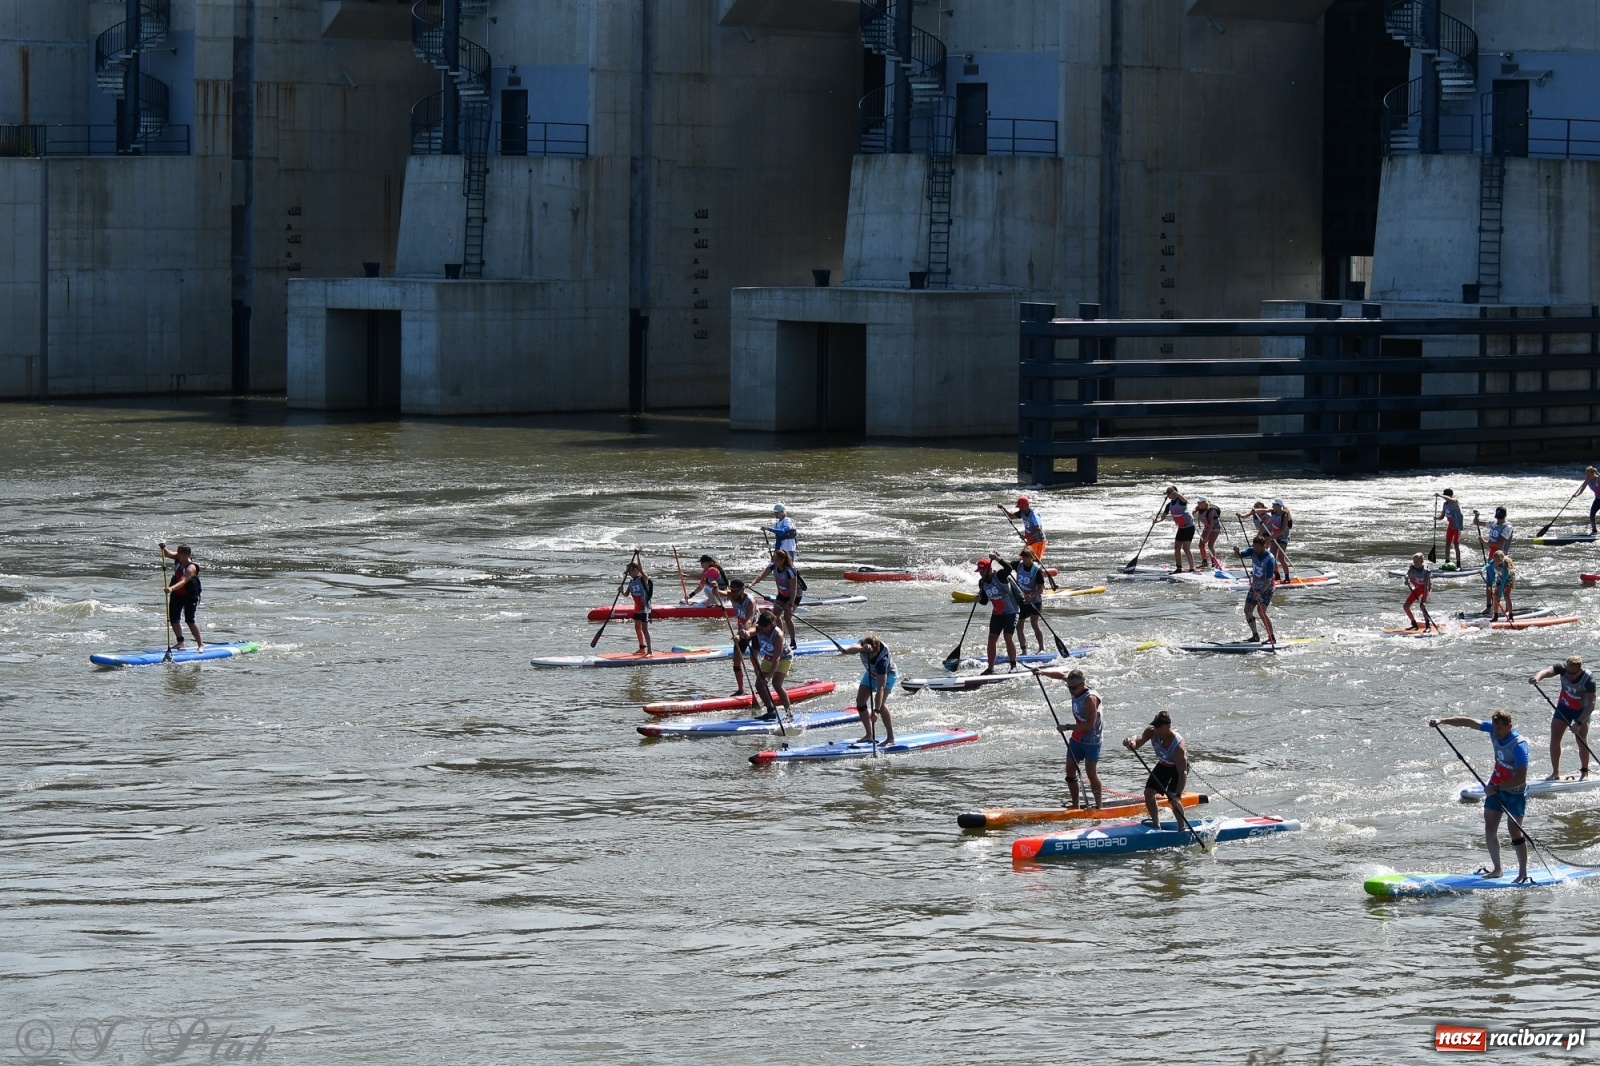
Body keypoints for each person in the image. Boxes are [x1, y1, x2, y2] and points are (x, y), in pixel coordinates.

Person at [1430, 711, 1531, 882]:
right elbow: (1468, 721)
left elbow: (1521, 778)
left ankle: (1522, 873)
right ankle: (1497, 869)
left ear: (1509, 726)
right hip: (1495, 787)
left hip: (1515, 792)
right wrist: (1442, 721)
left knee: (1515, 832)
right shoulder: (1492, 729)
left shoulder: (1519, 746)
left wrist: (1497, 788)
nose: (1496, 732)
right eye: (1494, 728)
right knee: (1490, 828)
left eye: (1500, 728)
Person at [1036, 666, 1102, 809]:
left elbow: (1090, 725)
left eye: (1073, 688)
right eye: (1069, 688)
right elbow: (1061, 675)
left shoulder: (1090, 699)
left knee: (1091, 774)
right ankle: (1076, 805)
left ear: (1082, 684)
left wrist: (1066, 727)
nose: (1071, 691)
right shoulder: (1073, 684)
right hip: (1077, 737)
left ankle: (1099, 806)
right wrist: (1041, 672)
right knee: (1070, 771)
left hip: (1092, 739)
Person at [1530, 656, 1595, 780]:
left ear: (1580, 669)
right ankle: (1555, 773)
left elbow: (1591, 705)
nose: (1570, 676)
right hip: (1564, 707)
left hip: (1581, 711)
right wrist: (1537, 678)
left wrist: (1579, 722)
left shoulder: (1588, 680)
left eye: (1573, 673)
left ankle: (1585, 772)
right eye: (1568, 672)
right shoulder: (1562, 669)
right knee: (1555, 738)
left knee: (1581, 739)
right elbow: (1546, 671)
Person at [1124, 711, 1188, 829]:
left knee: (1172, 797)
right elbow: (1136, 744)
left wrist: (1178, 796)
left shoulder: (1178, 747)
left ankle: (1182, 827)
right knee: (1148, 794)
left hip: (1177, 769)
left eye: (1159, 727)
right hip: (1163, 765)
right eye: (1155, 725)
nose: (1156, 729)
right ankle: (1156, 825)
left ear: (1168, 727)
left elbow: (1183, 773)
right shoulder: (1151, 732)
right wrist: (1130, 743)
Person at [975, 556, 1020, 674]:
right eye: (980, 572)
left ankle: (1013, 666)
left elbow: (1009, 568)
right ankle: (990, 668)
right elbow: (984, 601)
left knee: (1007, 637)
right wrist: (978, 599)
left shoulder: (1000, 575)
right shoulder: (982, 583)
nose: (981, 574)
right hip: (997, 614)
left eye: (983, 571)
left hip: (1012, 611)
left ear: (990, 569)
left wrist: (997, 559)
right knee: (991, 639)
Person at [719, 578, 760, 696]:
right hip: (741, 631)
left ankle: (761, 687)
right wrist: (715, 588)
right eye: (732, 590)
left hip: (755, 630)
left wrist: (739, 634)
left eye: (736, 591)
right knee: (736, 660)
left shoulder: (750, 601)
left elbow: (749, 620)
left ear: (743, 589)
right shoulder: (732, 595)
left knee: (754, 659)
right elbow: (717, 593)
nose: (734, 593)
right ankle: (741, 690)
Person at [752, 549, 801, 646]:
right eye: (774, 559)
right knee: (775, 616)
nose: (774, 561)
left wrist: (790, 604)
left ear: (783, 560)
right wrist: (752, 583)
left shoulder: (790, 570)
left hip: (794, 595)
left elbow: (794, 589)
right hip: (782, 594)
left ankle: (793, 641)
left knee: (787, 617)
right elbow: (762, 575)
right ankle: (781, 639)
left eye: (777, 560)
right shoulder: (773, 565)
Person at [750, 610, 793, 721]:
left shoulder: (778, 635)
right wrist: (742, 634)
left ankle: (789, 714)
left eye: (765, 627)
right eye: (761, 626)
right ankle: (771, 711)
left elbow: (777, 658)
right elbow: (750, 631)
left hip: (783, 658)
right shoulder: (759, 627)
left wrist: (769, 676)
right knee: (759, 685)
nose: (762, 629)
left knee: (776, 684)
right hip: (768, 657)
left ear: (771, 624)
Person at [160, 542, 204, 651]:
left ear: (187, 555)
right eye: (178, 553)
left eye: (180, 554)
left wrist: (171, 589)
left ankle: (200, 645)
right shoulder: (178, 558)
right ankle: (181, 643)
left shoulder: (191, 568)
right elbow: (167, 554)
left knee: (190, 620)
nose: (178, 556)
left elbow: (183, 581)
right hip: (177, 595)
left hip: (189, 595)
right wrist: (163, 547)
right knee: (174, 619)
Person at [853, 635, 896, 745]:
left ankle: (891, 738)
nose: (869, 655)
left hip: (888, 674)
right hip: (871, 673)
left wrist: (875, 711)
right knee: (860, 701)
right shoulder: (862, 644)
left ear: (877, 650)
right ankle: (869, 735)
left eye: (872, 653)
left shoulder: (882, 660)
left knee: (880, 705)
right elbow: (849, 650)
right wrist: (862, 649)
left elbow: (880, 688)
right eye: (868, 653)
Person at [1240, 534, 1278, 644]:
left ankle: (1271, 637)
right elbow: (1240, 555)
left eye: (1257, 548)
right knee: (1247, 611)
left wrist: (1260, 593)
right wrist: (1236, 550)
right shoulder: (1253, 551)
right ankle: (1255, 635)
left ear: (1263, 546)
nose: (1255, 550)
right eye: (1254, 547)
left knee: (1261, 612)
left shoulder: (1270, 559)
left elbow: (1268, 580)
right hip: (1254, 586)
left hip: (1267, 588)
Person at [1012, 547, 1047, 655]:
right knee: (1019, 627)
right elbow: (1006, 566)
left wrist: (1031, 595)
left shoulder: (1037, 570)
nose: (1024, 560)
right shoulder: (1018, 565)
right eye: (1023, 557)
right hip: (1022, 601)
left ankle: (1041, 648)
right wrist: (997, 559)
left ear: (1031, 558)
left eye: (1026, 558)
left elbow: (1041, 589)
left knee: (1034, 624)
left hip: (1035, 601)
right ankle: (1024, 651)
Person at [618, 560, 653, 655]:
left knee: (644, 629)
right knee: (637, 628)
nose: (628, 574)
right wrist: (621, 591)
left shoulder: (643, 579)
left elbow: (641, 570)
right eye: (628, 573)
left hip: (644, 608)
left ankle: (649, 651)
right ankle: (642, 648)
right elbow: (626, 594)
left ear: (635, 570)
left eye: (629, 572)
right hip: (637, 608)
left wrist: (637, 556)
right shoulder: (631, 582)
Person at [1162, 486, 1196, 572]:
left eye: (1170, 492)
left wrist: (1176, 493)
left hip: (1189, 527)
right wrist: (1157, 521)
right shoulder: (1169, 505)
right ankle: (1179, 568)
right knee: (1177, 548)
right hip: (1181, 528)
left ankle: (1192, 568)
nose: (1168, 494)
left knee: (1186, 548)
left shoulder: (1181, 501)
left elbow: (1185, 500)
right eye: (1167, 493)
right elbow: (1163, 517)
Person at [1402, 552, 1433, 631]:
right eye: (1414, 561)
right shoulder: (1412, 567)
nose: (1415, 563)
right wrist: (1406, 580)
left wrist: (1424, 600)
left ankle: (1428, 626)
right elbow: (1407, 575)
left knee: (1422, 606)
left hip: (1426, 588)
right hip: (1418, 588)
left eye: (1417, 561)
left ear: (1422, 561)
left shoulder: (1426, 571)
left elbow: (1426, 586)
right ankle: (1414, 624)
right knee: (1405, 607)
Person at [1483, 551, 1516, 621]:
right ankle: (1495, 616)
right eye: (1494, 560)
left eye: (1496, 561)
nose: (1494, 562)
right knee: (1495, 596)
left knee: (1506, 596)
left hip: (1507, 580)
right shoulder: (1494, 561)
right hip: (1500, 578)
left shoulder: (1505, 569)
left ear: (1500, 560)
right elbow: (1487, 565)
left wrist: (1500, 595)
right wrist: (1481, 570)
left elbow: (1502, 585)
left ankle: (1511, 616)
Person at [1436, 489, 1464, 569]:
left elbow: (1451, 499)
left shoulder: (1455, 501)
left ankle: (1459, 565)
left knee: (1456, 546)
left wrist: (1440, 495)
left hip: (1457, 527)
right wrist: (1437, 518)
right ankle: (1447, 562)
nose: (1445, 498)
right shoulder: (1445, 504)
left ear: (1451, 495)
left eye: (1446, 496)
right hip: (1450, 527)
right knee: (1447, 544)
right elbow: (1442, 516)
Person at [1194, 496, 1223, 570]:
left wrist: (1206, 537)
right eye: (1197, 502)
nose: (1198, 504)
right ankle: (1204, 563)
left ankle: (1214, 563)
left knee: (1210, 545)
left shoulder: (1210, 511)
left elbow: (1211, 525)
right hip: (1207, 528)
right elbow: (1192, 512)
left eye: (1199, 502)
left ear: (1204, 503)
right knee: (1201, 545)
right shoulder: (1199, 508)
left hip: (1214, 528)